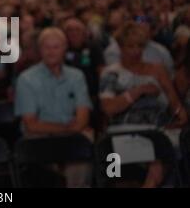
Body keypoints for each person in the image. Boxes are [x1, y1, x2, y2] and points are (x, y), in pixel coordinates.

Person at [99, 22, 188, 187]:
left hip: (155, 133)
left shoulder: (158, 70)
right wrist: (137, 91)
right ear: (120, 47)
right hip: (119, 135)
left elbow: (176, 107)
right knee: (113, 165)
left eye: (140, 46)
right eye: (130, 46)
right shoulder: (111, 73)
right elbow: (109, 108)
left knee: (163, 157)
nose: (136, 51)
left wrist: (178, 116)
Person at [15, 27, 93, 187]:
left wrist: (72, 129)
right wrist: (68, 128)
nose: (51, 52)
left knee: (82, 147)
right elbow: (31, 125)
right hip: (39, 140)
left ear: (65, 48)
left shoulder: (77, 76)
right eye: (47, 47)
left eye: (56, 47)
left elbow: (82, 119)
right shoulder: (26, 79)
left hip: (72, 138)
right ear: (40, 50)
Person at [104, 16, 174, 76]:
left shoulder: (161, 51)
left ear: (153, 31)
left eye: (146, 24)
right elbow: (116, 77)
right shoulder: (112, 51)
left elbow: (170, 76)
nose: (137, 51)